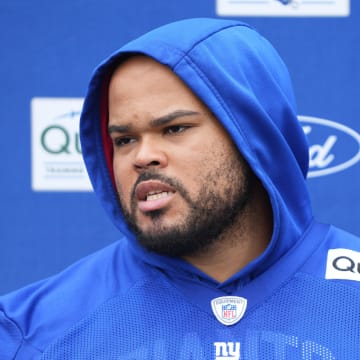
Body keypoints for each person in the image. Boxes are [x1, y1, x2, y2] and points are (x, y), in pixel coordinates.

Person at [0, 18, 359, 359]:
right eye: (124, 139)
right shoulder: (29, 331)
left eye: (174, 129)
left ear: (255, 136)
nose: (142, 156)